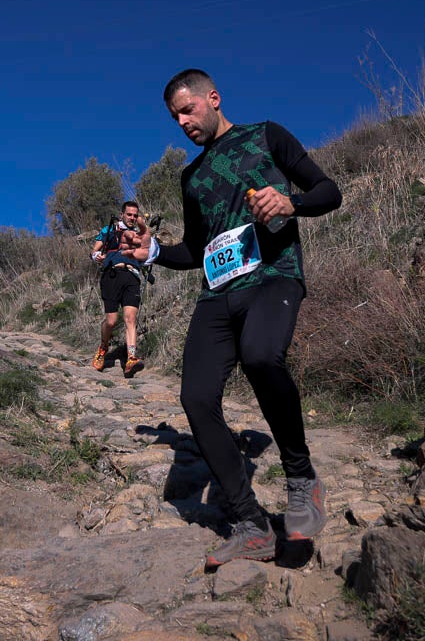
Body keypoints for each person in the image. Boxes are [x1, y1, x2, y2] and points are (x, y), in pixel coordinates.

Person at [127, 68, 342, 568]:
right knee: (196, 397)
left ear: (213, 98)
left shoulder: (266, 136)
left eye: (188, 109)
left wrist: (292, 201)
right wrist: (154, 250)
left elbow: (329, 192)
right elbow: (198, 250)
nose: (182, 122)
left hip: (273, 277)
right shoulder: (192, 176)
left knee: (262, 357)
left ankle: (301, 479)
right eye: (174, 116)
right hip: (217, 294)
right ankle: (250, 525)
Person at [90, 201, 147, 377]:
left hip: (132, 276)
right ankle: (103, 348)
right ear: (122, 214)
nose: (132, 217)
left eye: (135, 215)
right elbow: (94, 251)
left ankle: (131, 357)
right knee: (111, 321)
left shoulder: (139, 235)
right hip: (111, 276)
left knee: (130, 318)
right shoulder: (109, 230)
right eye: (129, 214)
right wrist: (96, 256)